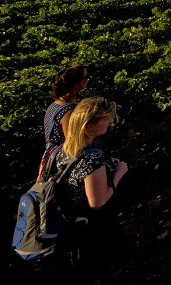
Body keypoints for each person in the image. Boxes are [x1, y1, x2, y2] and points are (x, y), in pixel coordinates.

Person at [47, 96, 130, 283]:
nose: (111, 122)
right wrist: (118, 174)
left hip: (68, 222)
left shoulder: (65, 149)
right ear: (89, 124)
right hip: (91, 229)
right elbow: (97, 203)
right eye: (106, 118)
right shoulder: (92, 160)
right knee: (93, 271)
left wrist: (107, 166)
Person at [39, 65, 89, 178]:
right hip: (62, 165)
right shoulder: (69, 111)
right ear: (76, 84)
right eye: (85, 77)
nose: (87, 80)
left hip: (51, 159)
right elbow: (72, 142)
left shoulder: (55, 105)